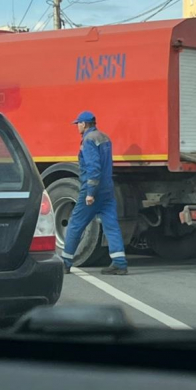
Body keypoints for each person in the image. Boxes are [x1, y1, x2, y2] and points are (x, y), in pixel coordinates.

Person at [62, 111, 128, 276]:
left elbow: (93, 167)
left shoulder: (88, 140)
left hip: (94, 188)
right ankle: (119, 263)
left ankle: (65, 263)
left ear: (84, 124)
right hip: (107, 188)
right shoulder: (105, 138)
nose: (77, 126)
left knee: (75, 224)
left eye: (78, 124)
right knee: (111, 225)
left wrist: (90, 192)